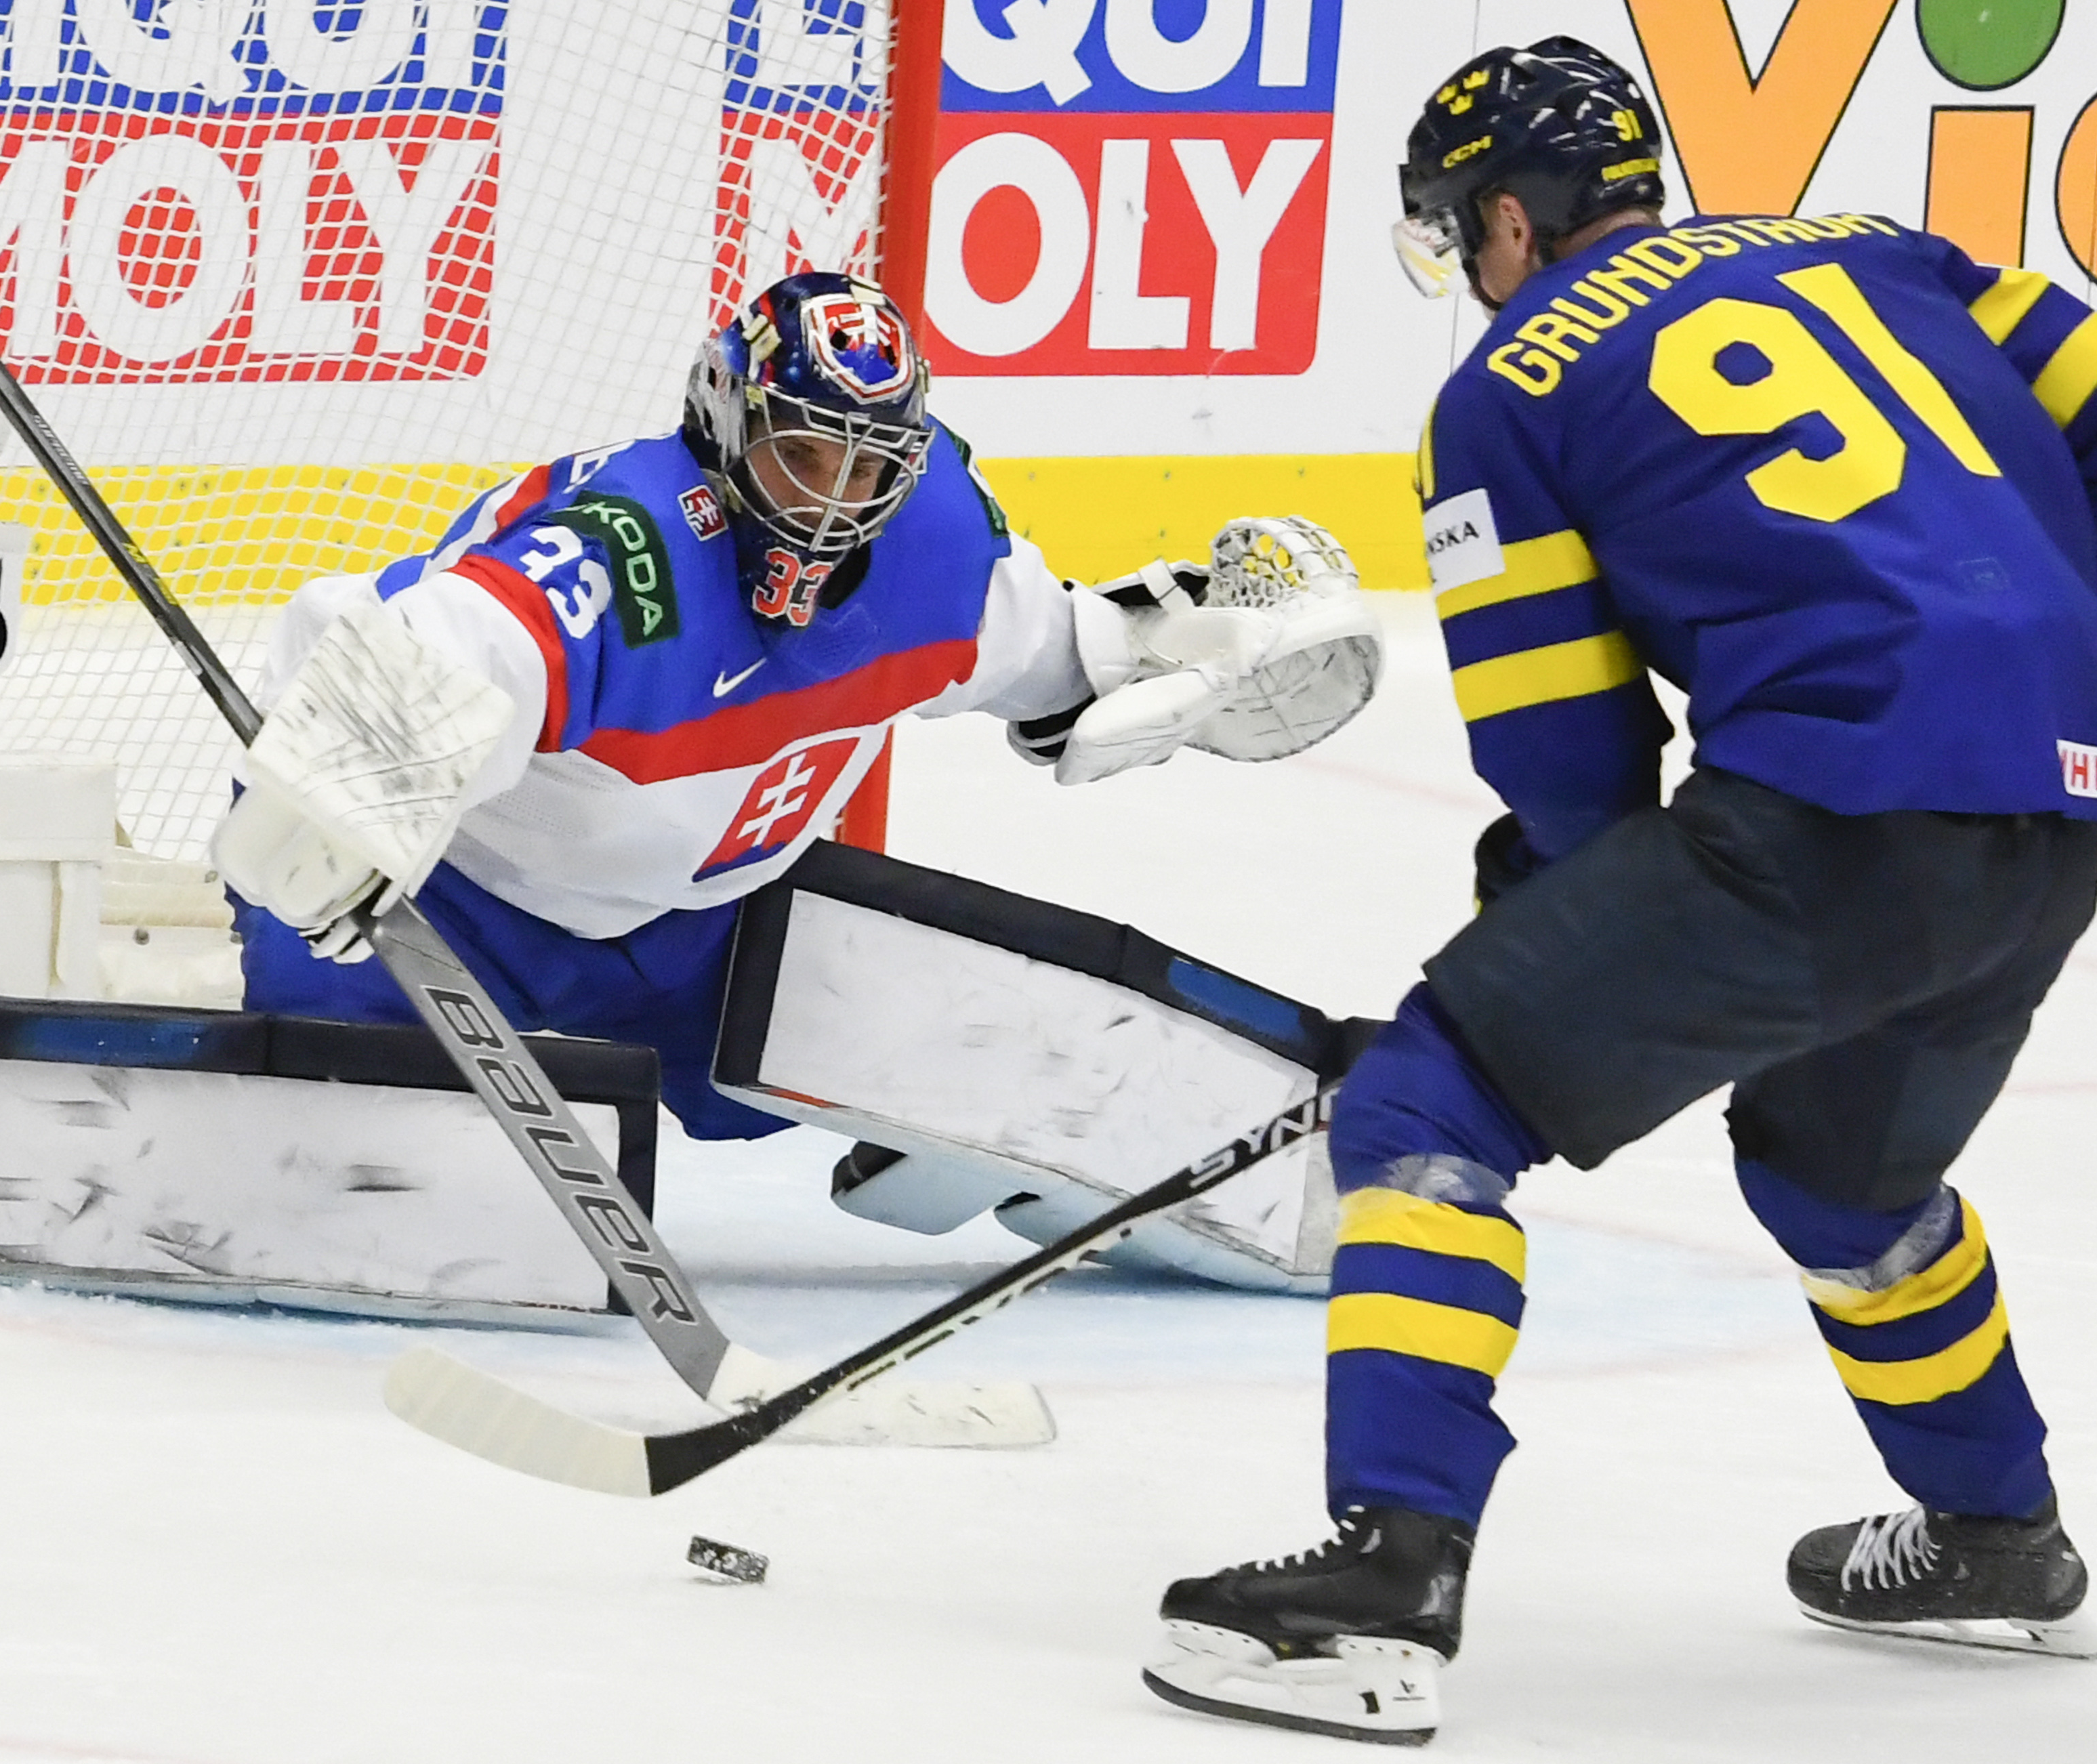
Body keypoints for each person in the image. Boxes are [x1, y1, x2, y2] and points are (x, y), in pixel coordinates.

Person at [1142, 39, 2097, 1744]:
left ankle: (1384, 1584)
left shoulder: (1506, 388)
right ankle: (1998, 1535)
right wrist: (2032, 650)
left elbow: (1566, 756)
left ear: (1507, 218)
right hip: (2049, 807)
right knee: (1841, 1181)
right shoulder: (1881, 248)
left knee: (1429, 1102)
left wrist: (1546, 917)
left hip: (1826, 824)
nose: (1464, 266)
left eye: (1457, 230)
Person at [210, 270, 1380, 1152]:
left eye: (868, 470)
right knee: (340, 1146)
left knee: (954, 1055)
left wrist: (1190, 651)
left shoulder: (931, 553)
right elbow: (407, 639)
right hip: (460, 910)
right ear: (728, 425)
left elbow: (1067, 661)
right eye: (806, 457)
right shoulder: (630, 554)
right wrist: (340, 810)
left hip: (705, 933)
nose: (836, 505)